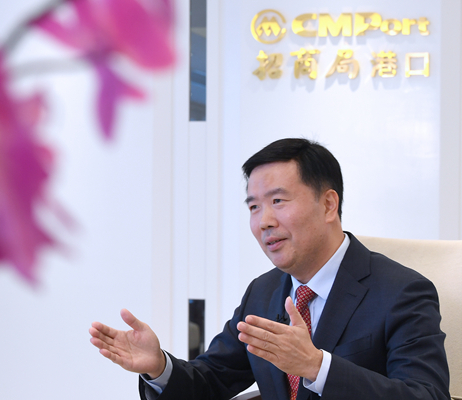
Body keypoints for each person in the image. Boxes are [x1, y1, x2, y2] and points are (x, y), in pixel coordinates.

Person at [89, 138, 449, 400]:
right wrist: (159, 367)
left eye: (278, 201)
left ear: (328, 205)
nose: (264, 221)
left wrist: (317, 367)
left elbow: (426, 395)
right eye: (254, 207)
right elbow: (213, 380)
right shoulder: (263, 292)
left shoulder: (401, 291)